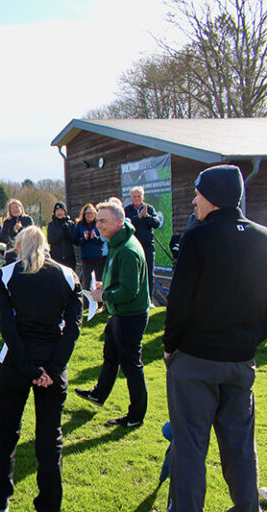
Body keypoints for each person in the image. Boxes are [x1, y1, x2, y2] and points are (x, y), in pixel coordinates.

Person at [163, 165, 267, 512]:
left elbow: (179, 302)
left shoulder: (197, 237)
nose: (194, 199)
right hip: (240, 362)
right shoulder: (261, 238)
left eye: (197, 192)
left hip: (195, 361)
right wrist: (250, 341)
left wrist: (169, 345)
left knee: (190, 448)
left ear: (214, 196)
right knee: (240, 445)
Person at [0, 226, 82, 512]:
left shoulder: (8, 275)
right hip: (45, 362)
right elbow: (72, 330)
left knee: (6, 434)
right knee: (50, 438)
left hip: (18, 364)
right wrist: (50, 370)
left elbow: (7, 327)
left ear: (18, 246)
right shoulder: (66, 275)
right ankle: (49, 504)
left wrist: (34, 369)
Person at [74, 202, 150, 428]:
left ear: (119, 222)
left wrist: (103, 296)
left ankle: (136, 416)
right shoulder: (116, 243)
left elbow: (129, 290)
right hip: (120, 314)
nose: (98, 225)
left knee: (131, 366)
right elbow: (120, 280)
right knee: (110, 355)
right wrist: (104, 285)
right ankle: (98, 395)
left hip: (130, 316)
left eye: (103, 221)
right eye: (97, 220)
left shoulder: (127, 249)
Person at [123, 186, 160, 304]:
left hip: (148, 247)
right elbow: (126, 224)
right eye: (134, 196)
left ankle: (149, 300)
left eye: (139, 196)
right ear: (131, 198)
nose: (137, 198)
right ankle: (135, 299)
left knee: (149, 273)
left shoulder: (149, 208)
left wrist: (147, 216)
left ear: (143, 196)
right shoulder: (127, 210)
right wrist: (138, 217)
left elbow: (156, 223)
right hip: (132, 248)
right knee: (134, 273)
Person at [74, 204, 105, 292]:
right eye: (87, 213)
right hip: (86, 259)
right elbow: (76, 241)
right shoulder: (80, 225)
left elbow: (103, 240)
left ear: (95, 214)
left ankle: (100, 303)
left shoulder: (99, 224)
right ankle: (86, 304)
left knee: (99, 282)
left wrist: (94, 238)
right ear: (84, 214)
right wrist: (85, 238)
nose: (90, 215)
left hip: (98, 258)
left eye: (92, 213)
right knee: (86, 283)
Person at [46, 202, 77, 269]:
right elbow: (50, 240)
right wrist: (61, 233)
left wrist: (68, 231)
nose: (59, 212)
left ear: (65, 212)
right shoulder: (51, 225)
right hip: (56, 257)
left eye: (61, 210)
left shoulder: (70, 223)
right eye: (57, 210)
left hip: (69, 258)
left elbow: (74, 240)